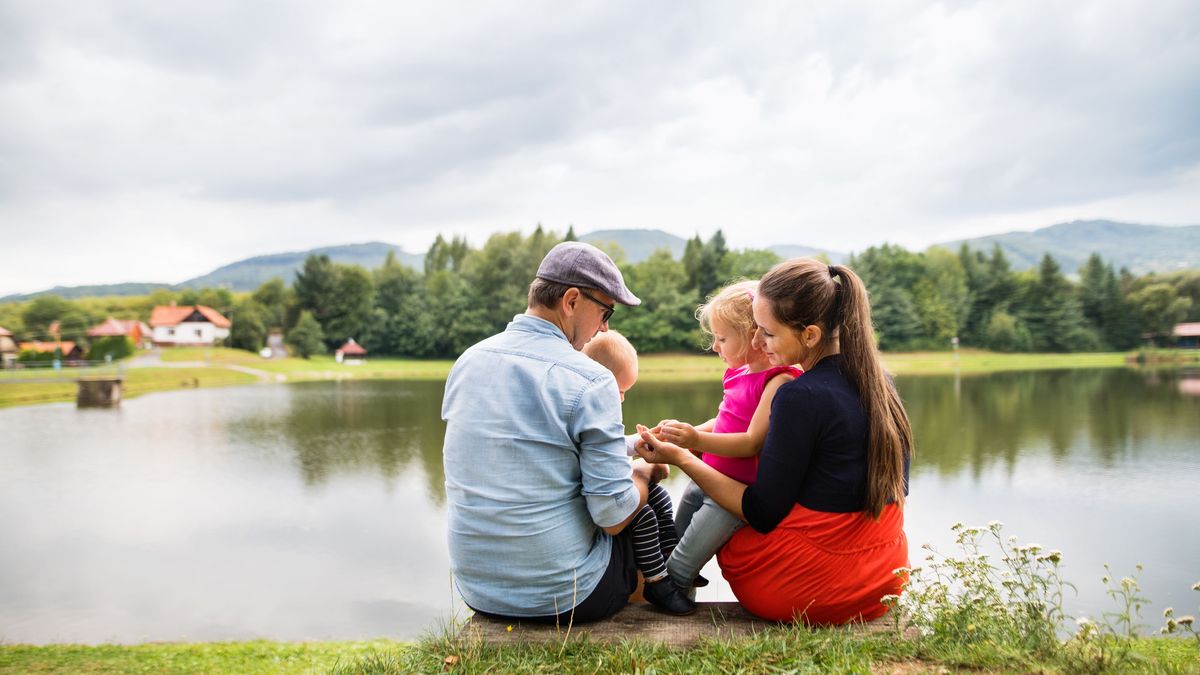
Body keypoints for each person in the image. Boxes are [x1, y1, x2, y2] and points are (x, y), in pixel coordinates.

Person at [636, 258, 912, 625]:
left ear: (810, 335)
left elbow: (761, 512)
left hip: (807, 588)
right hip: (882, 580)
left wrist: (684, 458)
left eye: (766, 333)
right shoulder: (880, 383)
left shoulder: (799, 396)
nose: (757, 342)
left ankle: (672, 582)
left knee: (723, 514)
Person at [442, 241, 692, 626]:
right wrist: (644, 473)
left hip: (480, 591)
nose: (604, 327)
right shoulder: (590, 378)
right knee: (644, 512)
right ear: (571, 301)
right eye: (605, 312)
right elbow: (612, 515)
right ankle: (665, 603)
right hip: (567, 596)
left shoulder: (468, 361)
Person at [651, 280, 801, 593]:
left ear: (754, 336)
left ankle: (673, 613)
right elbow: (724, 421)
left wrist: (694, 441)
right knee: (671, 551)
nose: (715, 347)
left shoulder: (778, 381)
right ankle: (678, 606)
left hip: (733, 497)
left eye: (721, 338)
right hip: (705, 478)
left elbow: (750, 442)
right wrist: (683, 433)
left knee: (680, 567)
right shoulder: (737, 372)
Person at [582, 330, 694, 614]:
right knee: (643, 516)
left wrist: (637, 443)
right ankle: (657, 582)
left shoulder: (594, 406)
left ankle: (669, 556)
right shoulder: (588, 409)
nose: (621, 399)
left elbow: (611, 445)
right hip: (589, 501)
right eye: (619, 391)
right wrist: (641, 468)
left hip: (603, 491)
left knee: (660, 496)